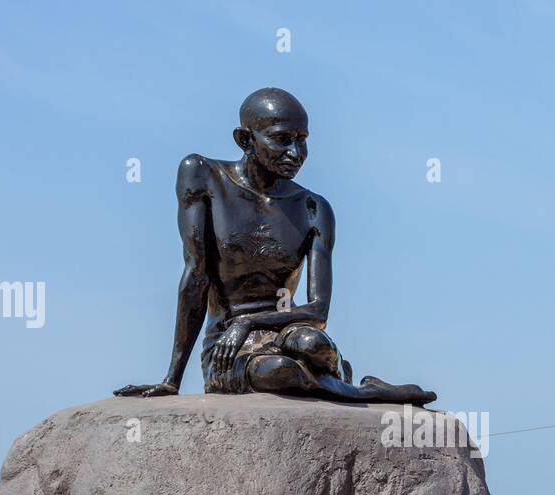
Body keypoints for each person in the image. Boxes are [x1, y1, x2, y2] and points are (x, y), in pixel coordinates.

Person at [115, 88, 436, 405]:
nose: (296, 153)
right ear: (245, 140)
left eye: (302, 139)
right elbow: (195, 275)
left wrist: (250, 321)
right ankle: (366, 391)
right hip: (229, 344)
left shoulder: (313, 208)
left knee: (314, 344)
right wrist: (172, 380)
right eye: (282, 139)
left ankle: (340, 378)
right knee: (279, 371)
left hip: (288, 330)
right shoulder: (203, 175)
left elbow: (318, 311)